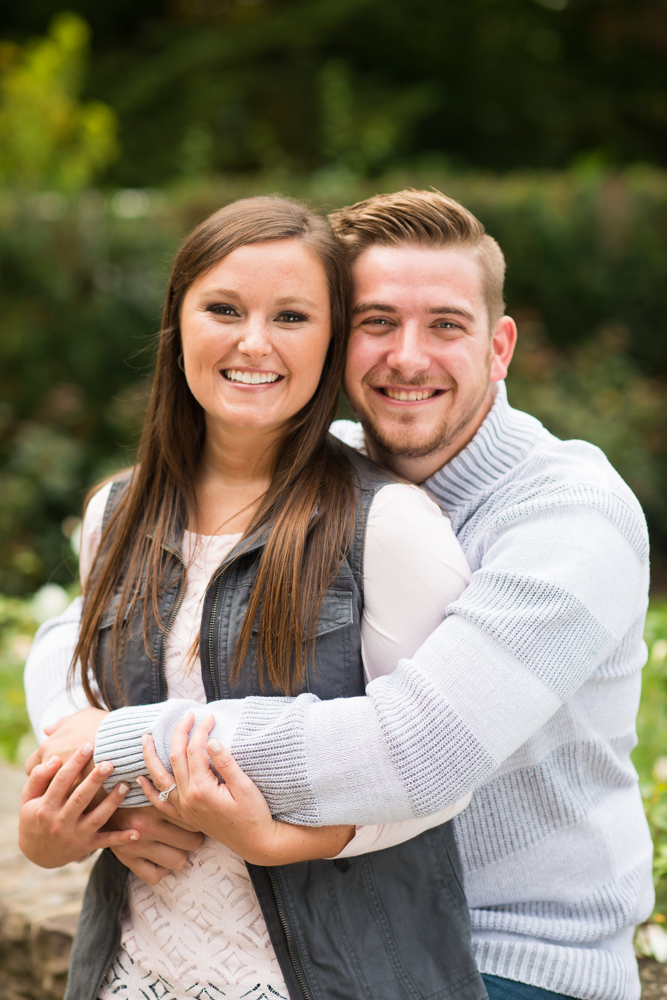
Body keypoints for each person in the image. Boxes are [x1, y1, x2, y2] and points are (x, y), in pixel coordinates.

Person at [24, 190, 653, 1000]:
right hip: (344, 923)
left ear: (499, 347)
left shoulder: (571, 515)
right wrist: (77, 747)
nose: (407, 357)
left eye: (446, 326)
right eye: (377, 323)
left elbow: (417, 747)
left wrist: (121, 749)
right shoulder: (326, 468)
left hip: (511, 953)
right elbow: (80, 629)